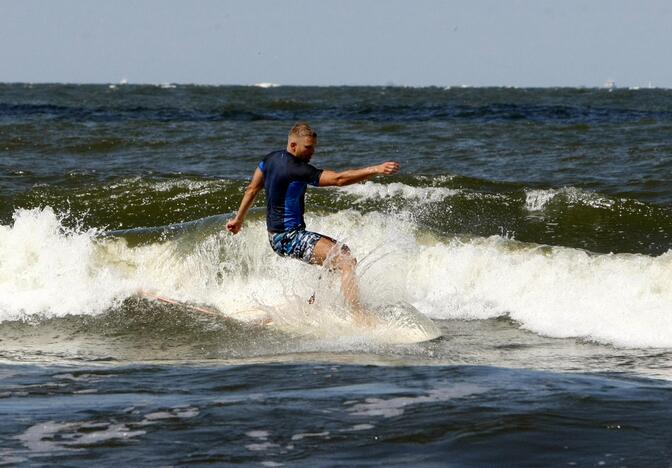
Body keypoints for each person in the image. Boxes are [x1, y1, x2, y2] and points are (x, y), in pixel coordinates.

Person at [226, 123, 399, 325]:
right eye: (308, 147)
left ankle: (312, 306)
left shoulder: (270, 159)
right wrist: (376, 169)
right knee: (345, 260)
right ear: (293, 145)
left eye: (313, 147)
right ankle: (359, 316)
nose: (312, 152)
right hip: (288, 237)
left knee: (339, 254)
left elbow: (251, 189)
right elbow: (339, 179)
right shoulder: (297, 169)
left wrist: (238, 219)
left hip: (280, 236)